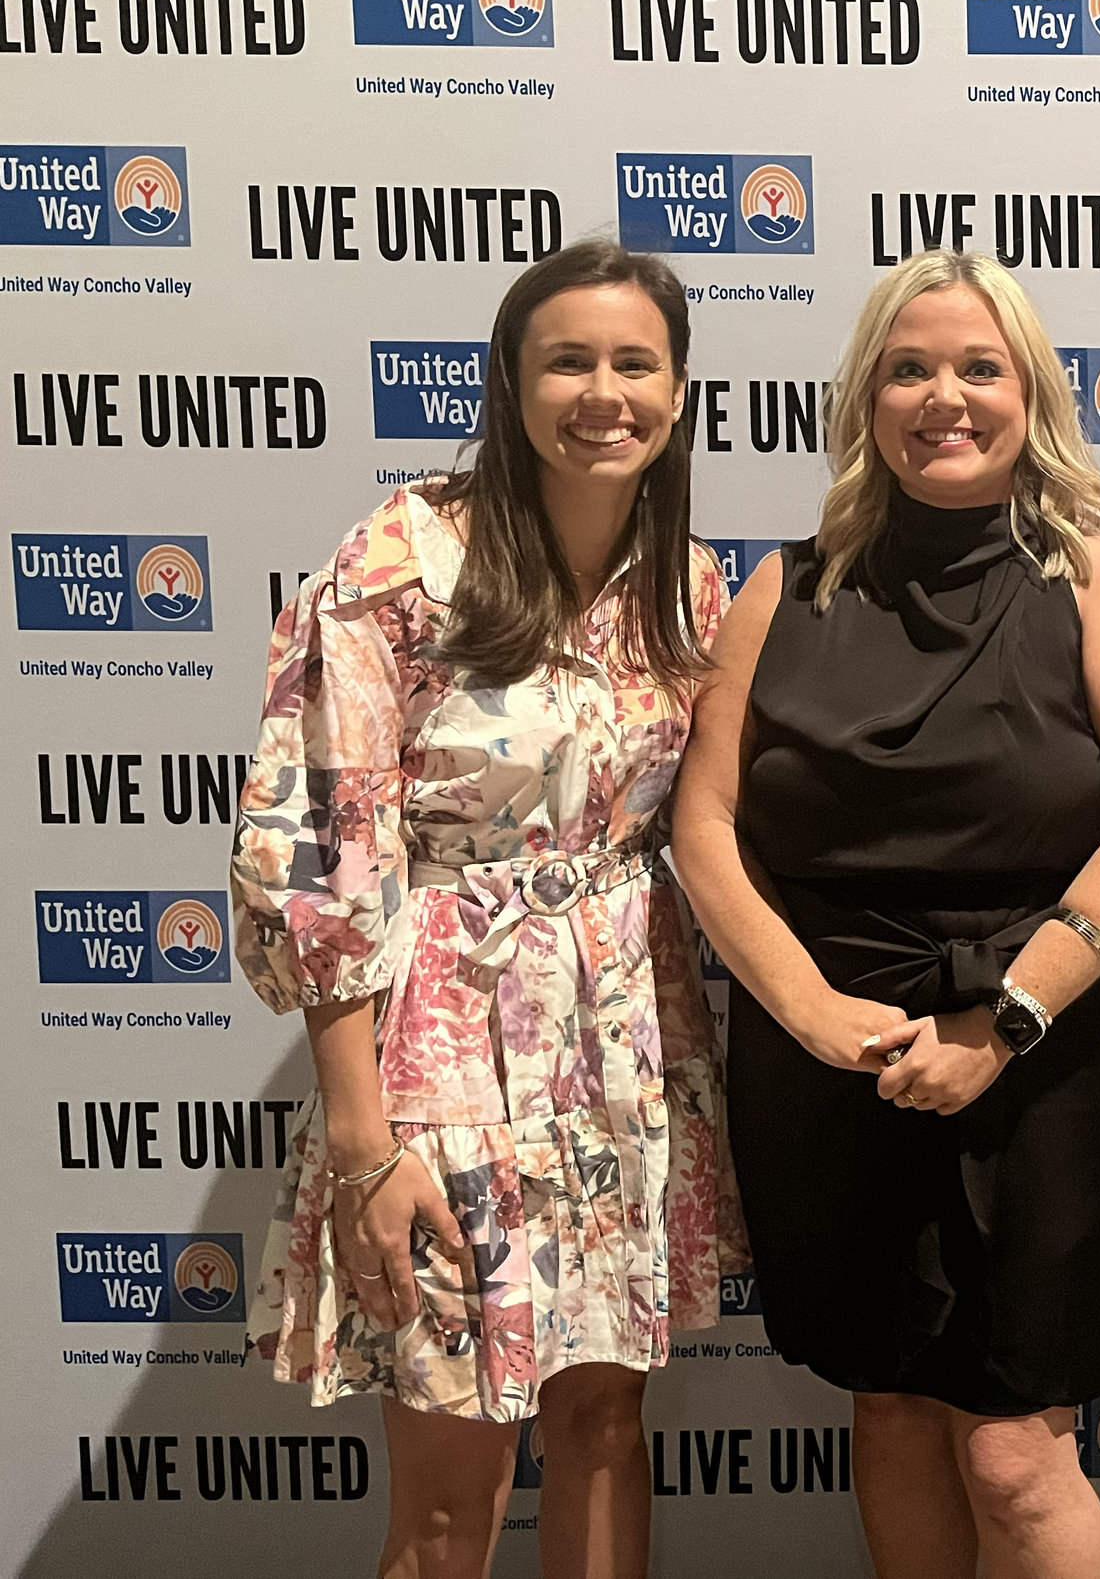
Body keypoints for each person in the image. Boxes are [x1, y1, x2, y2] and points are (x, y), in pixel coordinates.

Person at [671, 250, 1100, 1579]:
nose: (942, 395)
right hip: (832, 1061)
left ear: (1031, 395)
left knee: (1016, 1453)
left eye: (979, 366)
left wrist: (1003, 1014)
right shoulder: (784, 589)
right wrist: (814, 1016)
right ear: (865, 397)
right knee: (893, 1406)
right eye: (908, 367)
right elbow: (705, 827)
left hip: (1048, 1058)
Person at [231, 240, 742, 1578]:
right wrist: (362, 1144)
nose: (603, 390)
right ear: (511, 384)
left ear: (679, 394)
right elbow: (323, 855)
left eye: (636, 361)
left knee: (606, 1427)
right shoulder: (401, 558)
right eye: (567, 358)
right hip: (436, 1061)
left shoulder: (692, 586)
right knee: (454, 1486)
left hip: (624, 1052)